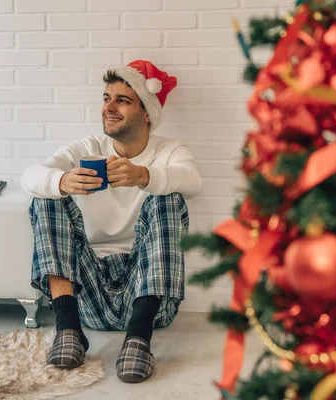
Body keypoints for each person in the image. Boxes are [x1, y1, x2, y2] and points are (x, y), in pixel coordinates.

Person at [20, 60, 203, 383]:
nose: (109, 107)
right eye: (107, 98)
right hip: (89, 293)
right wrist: (63, 182)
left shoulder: (170, 150)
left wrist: (144, 175)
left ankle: (138, 341)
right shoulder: (87, 148)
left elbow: (193, 182)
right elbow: (30, 176)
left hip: (147, 293)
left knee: (168, 196)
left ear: (147, 113)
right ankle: (68, 329)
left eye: (123, 100)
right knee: (46, 196)